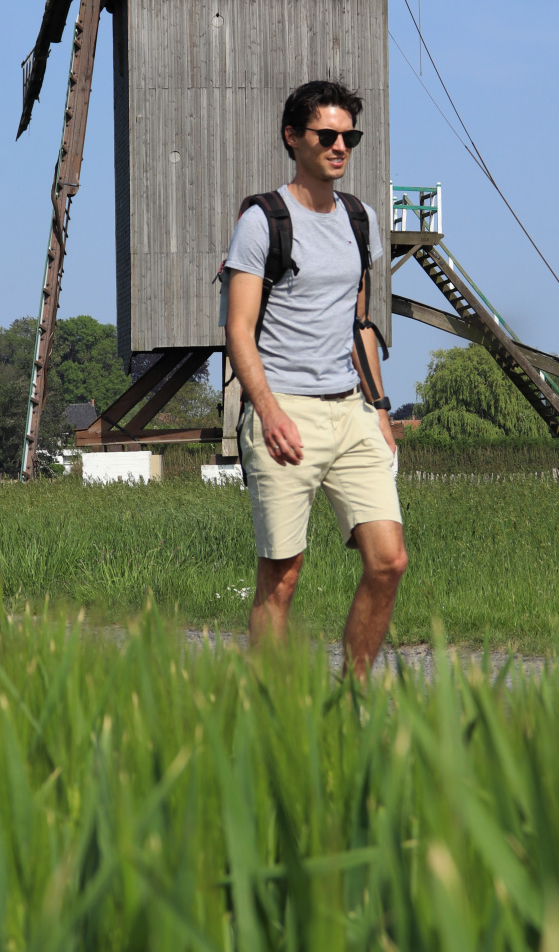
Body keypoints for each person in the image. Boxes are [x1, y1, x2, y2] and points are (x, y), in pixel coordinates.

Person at [222, 79, 407, 677]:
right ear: (292, 138)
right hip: (287, 410)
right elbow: (240, 329)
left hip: (350, 408)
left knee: (389, 561)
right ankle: (273, 716)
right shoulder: (263, 220)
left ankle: (350, 697)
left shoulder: (360, 219)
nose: (340, 146)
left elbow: (359, 323)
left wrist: (379, 408)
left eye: (349, 136)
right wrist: (268, 411)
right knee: (282, 577)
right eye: (327, 135)